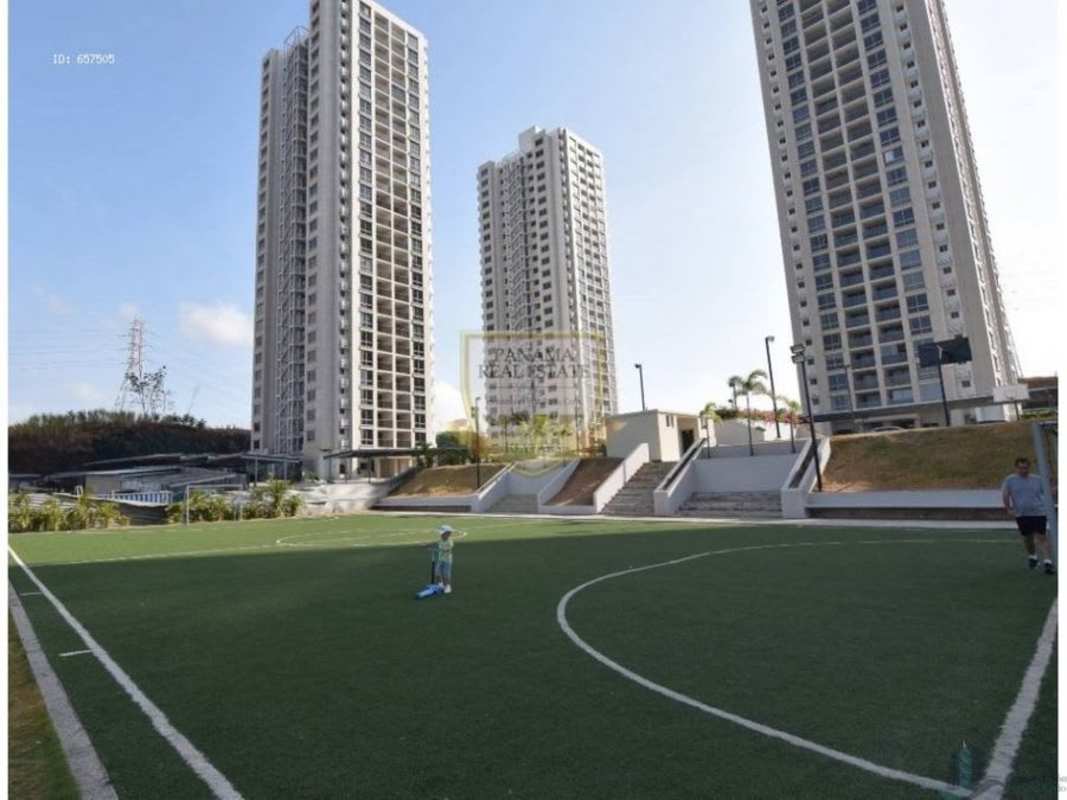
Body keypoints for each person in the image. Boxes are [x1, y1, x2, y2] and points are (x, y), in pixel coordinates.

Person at [1001, 457, 1054, 575]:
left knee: (1042, 537)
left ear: (1029, 467)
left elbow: (1049, 492)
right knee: (1028, 538)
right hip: (1022, 514)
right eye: (1020, 468)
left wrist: (1053, 484)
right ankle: (1033, 557)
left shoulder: (1037, 479)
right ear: (1016, 468)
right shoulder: (1010, 480)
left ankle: (1048, 562)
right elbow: (1006, 494)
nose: (1023, 470)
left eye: (1025, 468)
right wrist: (1008, 508)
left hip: (1038, 512)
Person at [427, 525, 454, 594]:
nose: (441, 535)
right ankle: (441, 584)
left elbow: (444, 550)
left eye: (442, 534)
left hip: (447, 561)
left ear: (448, 534)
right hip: (440, 559)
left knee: (445, 574)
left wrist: (433, 550)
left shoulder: (450, 542)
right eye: (441, 534)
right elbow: (436, 543)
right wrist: (427, 545)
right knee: (437, 573)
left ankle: (447, 586)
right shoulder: (441, 539)